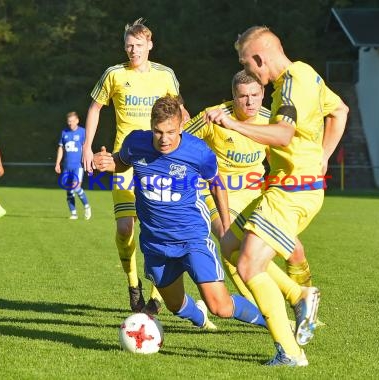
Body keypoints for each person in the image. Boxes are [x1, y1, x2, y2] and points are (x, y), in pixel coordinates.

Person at [207, 26, 349, 366]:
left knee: (247, 265)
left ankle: (290, 351)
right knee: (231, 243)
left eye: (248, 63)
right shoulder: (307, 74)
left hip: (292, 191)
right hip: (291, 185)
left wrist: (233, 124)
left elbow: (283, 135)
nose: (250, 72)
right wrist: (324, 155)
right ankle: (298, 295)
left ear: (259, 58)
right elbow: (340, 110)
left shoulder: (291, 85)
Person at [93, 95, 267, 333]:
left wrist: (226, 225)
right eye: (158, 132)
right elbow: (122, 162)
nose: (164, 139)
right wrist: (106, 162)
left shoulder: (198, 151)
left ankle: (272, 321)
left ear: (181, 126)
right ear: (151, 125)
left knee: (221, 307)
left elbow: (216, 184)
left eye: (171, 132)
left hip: (191, 237)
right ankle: (201, 321)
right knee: (175, 305)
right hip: (155, 242)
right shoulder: (136, 142)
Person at [82, 18, 189, 315]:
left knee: (159, 230)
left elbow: (181, 113)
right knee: (125, 228)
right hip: (124, 162)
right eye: (129, 45)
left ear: (149, 45)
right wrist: (86, 147)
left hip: (160, 163)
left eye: (138, 45)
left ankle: (155, 296)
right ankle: (133, 286)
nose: (133, 50)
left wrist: (189, 147)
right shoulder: (114, 75)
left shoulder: (165, 76)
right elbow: (94, 108)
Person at [184, 70, 311, 304]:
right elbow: (178, 140)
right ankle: (267, 305)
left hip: (255, 195)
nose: (249, 101)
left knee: (296, 251)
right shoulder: (213, 117)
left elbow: (279, 159)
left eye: (254, 94)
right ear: (233, 96)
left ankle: (308, 304)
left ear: (263, 93)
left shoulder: (271, 120)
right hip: (218, 194)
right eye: (243, 96)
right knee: (228, 239)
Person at [55, 112, 91, 220]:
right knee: (69, 190)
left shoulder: (82, 132)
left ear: (77, 121)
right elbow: (61, 148)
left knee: (76, 186)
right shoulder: (64, 133)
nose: (70, 123)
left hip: (78, 166)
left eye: (72, 121)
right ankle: (74, 213)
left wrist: (87, 161)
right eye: (69, 121)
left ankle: (87, 206)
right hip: (67, 166)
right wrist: (57, 163)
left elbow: (86, 148)